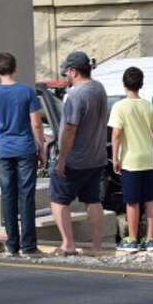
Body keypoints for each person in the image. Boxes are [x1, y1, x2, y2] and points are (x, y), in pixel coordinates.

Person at [0, 53, 46, 256]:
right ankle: (29, 246)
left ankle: (12, 244)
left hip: (3, 148)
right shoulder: (27, 92)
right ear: (15, 68)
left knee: (8, 195)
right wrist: (42, 148)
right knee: (26, 196)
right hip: (25, 147)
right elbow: (36, 123)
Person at [50, 51, 108, 255]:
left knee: (58, 200)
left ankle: (68, 244)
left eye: (67, 72)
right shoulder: (99, 88)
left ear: (73, 71)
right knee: (92, 200)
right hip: (97, 156)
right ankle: (97, 246)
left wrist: (62, 159)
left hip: (76, 159)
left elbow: (70, 129)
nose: (66, 76)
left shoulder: (75, 95)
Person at [108, 67, 153, 253]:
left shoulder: (120, 107)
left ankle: (132, 238)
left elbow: (116, 134)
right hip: (148, 157)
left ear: (124, 84)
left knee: (132, 201)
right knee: (150, 200)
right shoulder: (149, 106)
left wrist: (115, 157)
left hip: (130, 159)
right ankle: (150, 239)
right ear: (141, 84)